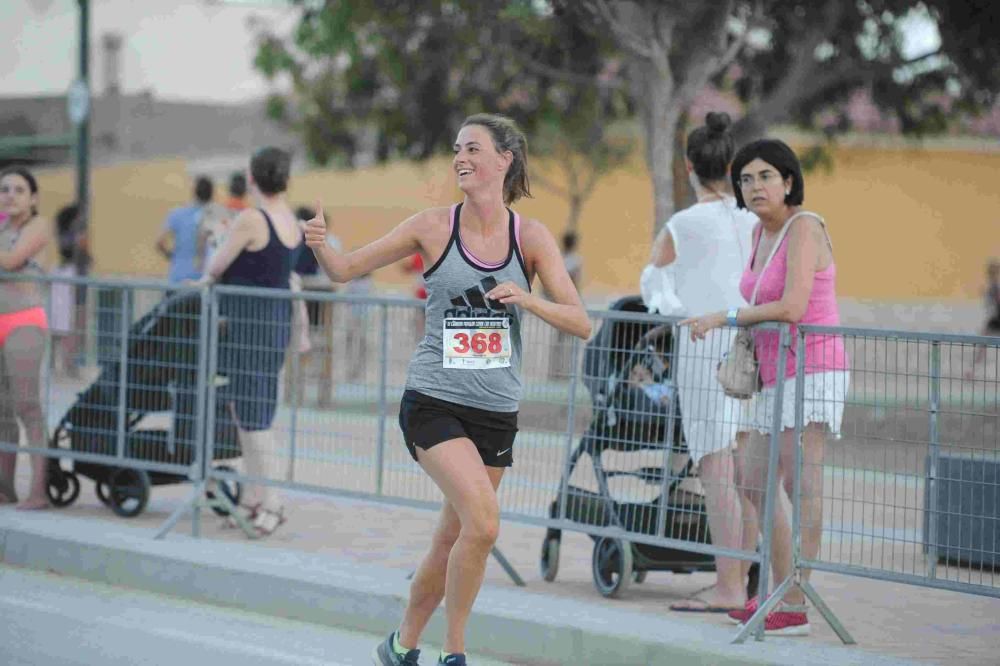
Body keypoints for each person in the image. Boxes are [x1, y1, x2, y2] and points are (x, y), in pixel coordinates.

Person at [303, 113, 591, 666]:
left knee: (452, 538)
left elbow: (581, 322)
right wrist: (320, 245)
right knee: (483, 524)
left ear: (505, 159)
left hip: (496, 410)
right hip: (434, 402)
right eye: (456, 148)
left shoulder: (530, 238)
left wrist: (528, 299)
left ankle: (401, 645)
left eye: (473, 148)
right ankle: (453, 652)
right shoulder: (432, 226)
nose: (461, 157)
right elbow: (343, 269)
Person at [682, 138, 850, 636]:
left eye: (765, 177)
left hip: (815, 369)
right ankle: (778, 590)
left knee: (802, 480)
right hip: (774, 374)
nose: (755, 187)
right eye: (746, 179)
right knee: (753, 477)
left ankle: (795, 603)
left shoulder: (805, 227)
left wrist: (724, 317)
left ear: (789, 181)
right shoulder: (759, 234)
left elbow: (795, 307)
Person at [641, 112, 760, 614]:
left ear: (688, 166)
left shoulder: (683, 224)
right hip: (755, 347)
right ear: (733, 165)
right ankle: (748, 579)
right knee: (749, 470)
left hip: (704, 347)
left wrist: (673, 311)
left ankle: (729, 586)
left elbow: (653, 277)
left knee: (717, 472)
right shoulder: (755, 217)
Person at [202, 147, 303, 537]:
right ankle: (250, 498)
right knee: (251, 415)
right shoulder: (289, 218)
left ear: (252, 177)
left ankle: (273, 502)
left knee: (254, 420)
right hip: (272, 323)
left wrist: (217, 238)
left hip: (248, 325)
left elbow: (216, 266)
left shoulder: (250, 218)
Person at [0, 166, 53, 509]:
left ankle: (39, 490)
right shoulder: (2, 227)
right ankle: (5, 488)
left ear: (33, 197)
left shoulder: (39, 226)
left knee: (27, 406)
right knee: (2, 411)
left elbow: (14, 261)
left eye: (19, 190)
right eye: (5, 189)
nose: (10, 195)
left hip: (25, 322)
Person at [156, 175, 213, 284]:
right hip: (203, 280)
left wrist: (172, 257)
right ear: (211, 194)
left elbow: (159, 242)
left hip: (178, 277)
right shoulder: (215, 216)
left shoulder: (177, 214)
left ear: (194, 192)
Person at [50, 204, 83, 378]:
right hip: (67, 274)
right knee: (64, 322)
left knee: (59, 322)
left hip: (62, 274)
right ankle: (67, 366)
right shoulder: (69, 236)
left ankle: (58, 365)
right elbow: (74, 254)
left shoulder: (62, 234)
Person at [966, 258, 1000, 378]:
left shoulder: (995, 286)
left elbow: (995, 302)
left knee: (982, 344)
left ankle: (972, 370)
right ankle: (972, 370)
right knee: (982, 344)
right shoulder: (992, 286)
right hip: (994, 320)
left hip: (996, 319)